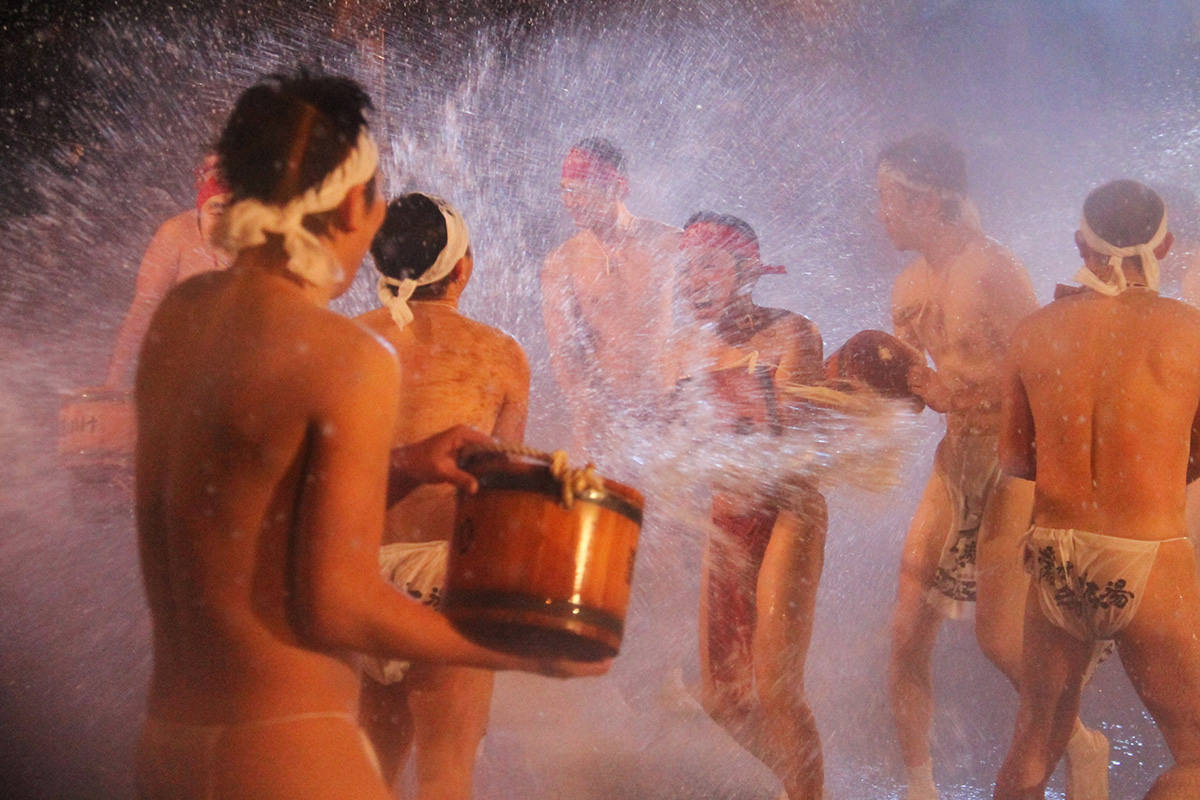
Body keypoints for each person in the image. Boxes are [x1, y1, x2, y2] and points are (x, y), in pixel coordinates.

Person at [132, 70, 604, 800]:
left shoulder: (184, 317)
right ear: (353, 204)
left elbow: (253, 508)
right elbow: (338, 602)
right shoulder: (347, 357)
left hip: (172, 746)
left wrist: (408, 463)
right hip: (286, 751)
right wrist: (521, 646)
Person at [877, 134, 1107, 800]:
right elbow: (909, 390)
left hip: (1016, 465)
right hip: (957, 458)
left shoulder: (993, 270)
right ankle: (921, 789)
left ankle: (1082, 745)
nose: (880, 213)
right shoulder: (910, 283)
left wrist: (965, 394)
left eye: (888, 199)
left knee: (1001, 641)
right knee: (903, 631)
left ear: (924, 200)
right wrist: (862, 385)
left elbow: (1049, 375)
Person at [994, 179, 1200, 800]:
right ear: (1164, 245)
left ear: (1080, 245)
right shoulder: (1190, 332)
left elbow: (1015, 460)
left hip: (1057, 553)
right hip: (1148, 555)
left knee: (1034, 745)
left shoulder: (1033, 331)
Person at [355, 192, 530, 798]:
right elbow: (498, 492)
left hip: (353, 579)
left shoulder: (346, 342)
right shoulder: (502, 355)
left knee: (365, 776)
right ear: (463, 267)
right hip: (443, 580)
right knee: (446, 776)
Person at [674, 212, 826, 800]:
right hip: (727, 518)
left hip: (790, 512)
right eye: (685, 269)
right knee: (723, 699)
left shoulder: (793, 333)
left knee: (778, 692)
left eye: (707, 266)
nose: (693, 280)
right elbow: (673, 450)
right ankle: (804, 789)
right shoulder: (682, 350)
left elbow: (793, 445)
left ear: (745, 272)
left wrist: (729, 405)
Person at [540, 137, 680, 466]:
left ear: (617, 188)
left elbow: (703, 328)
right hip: (601, 420)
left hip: (669, 411)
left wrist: (681, 399)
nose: (570, 201)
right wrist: (589, 410)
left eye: (580, 190)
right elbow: (563, 352)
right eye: (565, 190)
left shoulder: (670, 245)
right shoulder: (562, 262)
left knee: (670, 514)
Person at [105, 156, 231, 389]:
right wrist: (114, 382)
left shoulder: (267, 237)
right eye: (216, 212)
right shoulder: (177, 235)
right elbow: (143, 310)